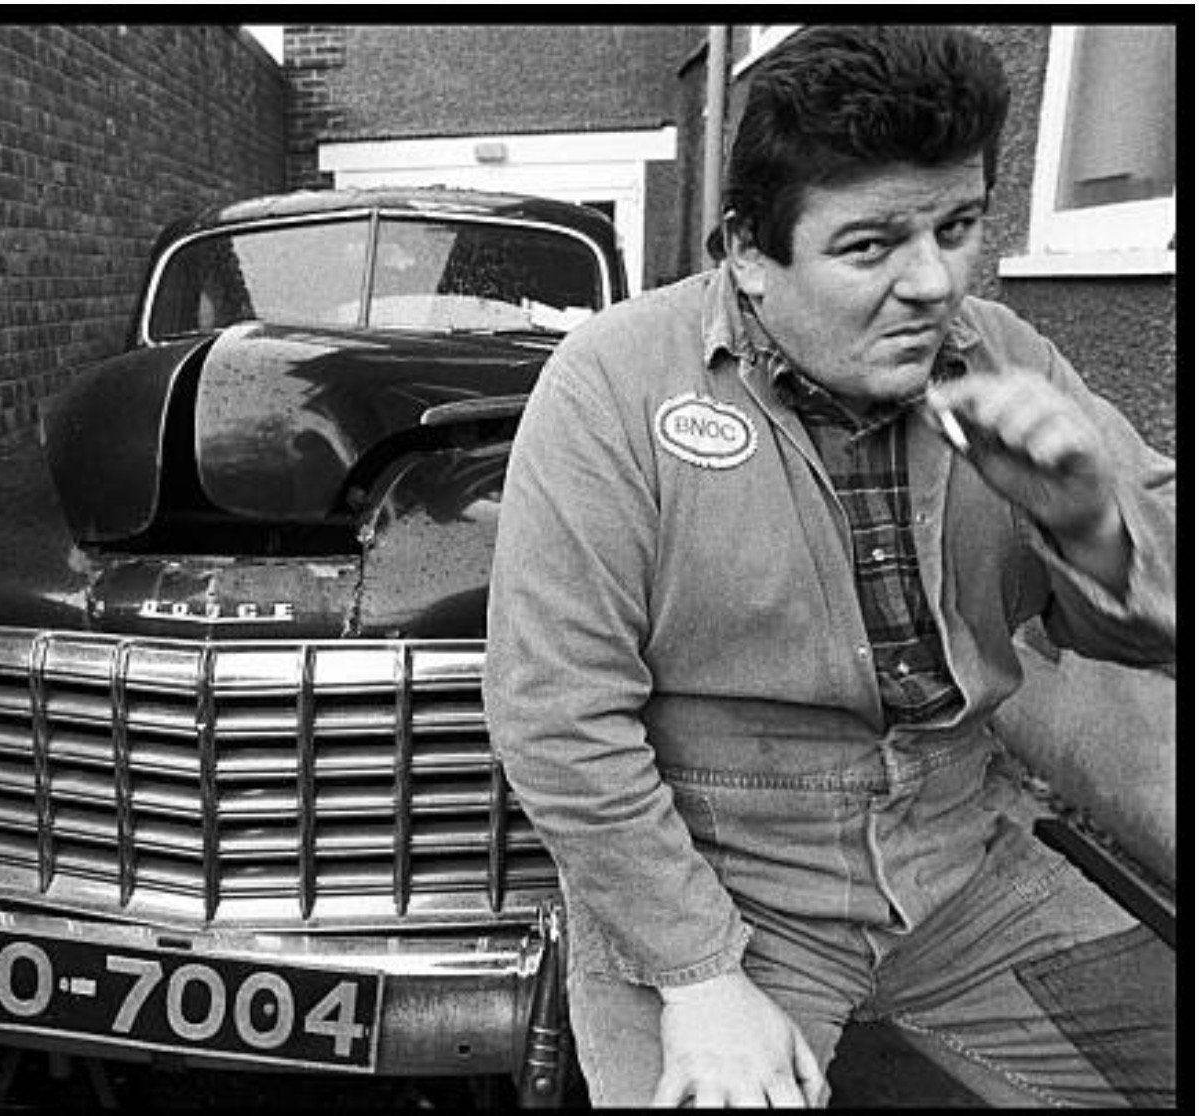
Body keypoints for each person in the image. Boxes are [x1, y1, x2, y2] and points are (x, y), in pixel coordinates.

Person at [484, 24, 1175, 1108]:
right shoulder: (609, 388)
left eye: (959, 226)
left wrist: (1094, 531)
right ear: (749, 254)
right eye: (871, 247)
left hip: (963, 854)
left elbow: (1158, 629)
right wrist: (698, 975)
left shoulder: (1012, 358)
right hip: (718, 870)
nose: (934, 282)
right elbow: (557, 716)